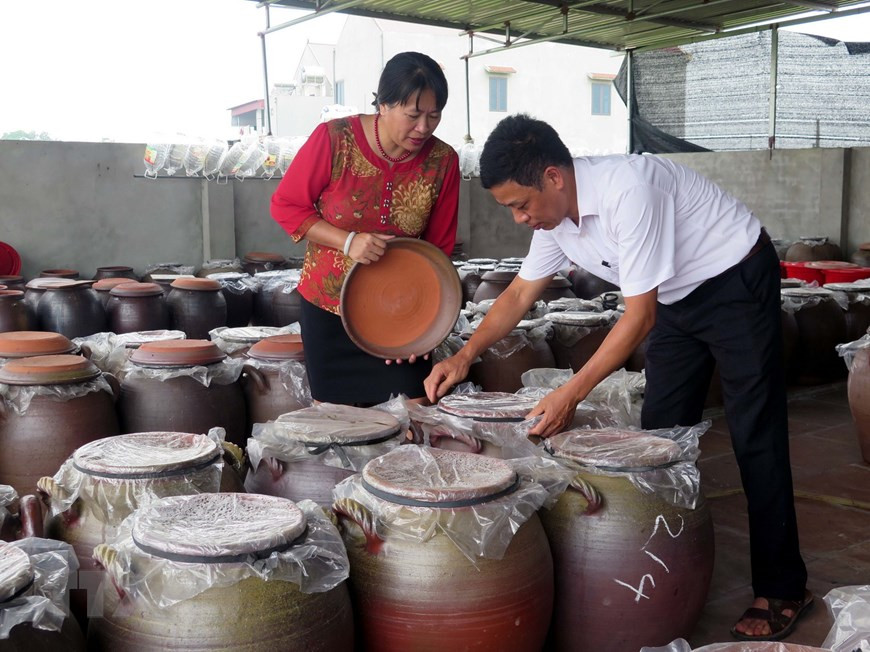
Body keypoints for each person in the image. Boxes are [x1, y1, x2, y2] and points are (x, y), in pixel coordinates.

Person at [425, 113, 811, 642]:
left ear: (554, 178)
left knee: (754, 434)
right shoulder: (554, 220)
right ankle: (665, 566)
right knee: (658, 435)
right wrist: (464, 355)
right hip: (675, 294)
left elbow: (638, 317)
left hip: (734, 278)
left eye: (520, 204)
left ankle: (784, 587)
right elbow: (517, 295)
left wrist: (570, 394)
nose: (518, 218)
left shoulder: (630, 190)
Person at [271, 51, 459, 406]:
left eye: (434, 116)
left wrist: (422, 327)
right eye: (413, 115)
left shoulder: (443, 161)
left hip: (404, 312)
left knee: (412, 417)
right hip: (329, 310)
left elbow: (440, 247)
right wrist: (348, 241)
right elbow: (286, 205)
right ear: (383, 104)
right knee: (341, 426)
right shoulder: (334, 139)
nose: (424, 127)